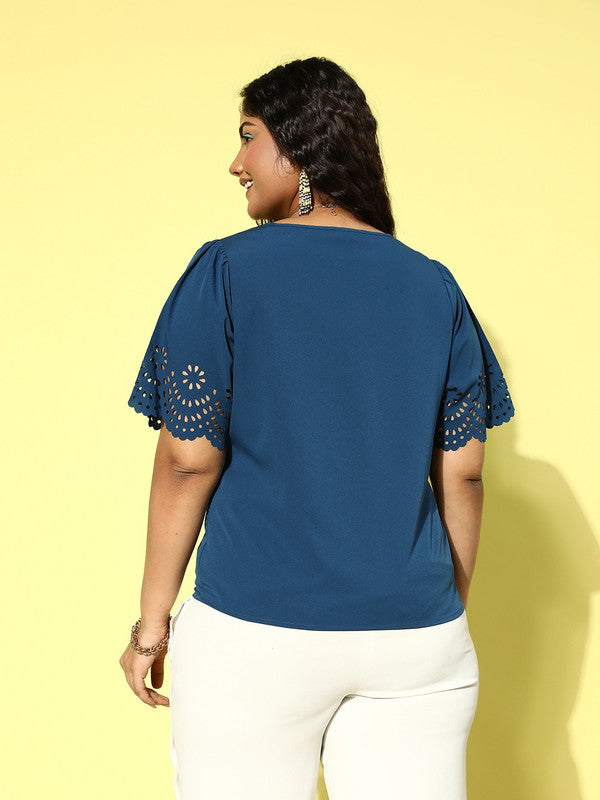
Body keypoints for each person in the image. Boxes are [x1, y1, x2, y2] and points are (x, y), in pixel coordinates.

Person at [119, 56, 515, 800]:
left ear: (298, 147)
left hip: (256, 634)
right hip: (417, 640)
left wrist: (151, 627)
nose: (235, 162)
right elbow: (462, 474)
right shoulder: (433, 284)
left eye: (248, 136)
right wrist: (436, 614)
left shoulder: (225, 272)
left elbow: (187, 461)